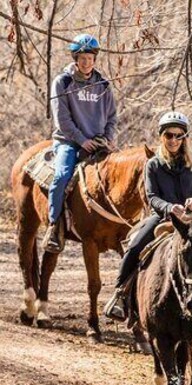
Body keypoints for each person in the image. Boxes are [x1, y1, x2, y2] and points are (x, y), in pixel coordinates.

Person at [103, 111, 192, 321]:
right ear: (162, 137)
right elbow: (152, 196)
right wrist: (169, 208)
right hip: (163, 218)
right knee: (136, 247)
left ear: (185, 138)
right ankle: (120, 294)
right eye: (169, 135)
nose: (173, 140)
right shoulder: (153, 164)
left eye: (178, 135)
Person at [44, 33, 117, 254]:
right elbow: (62, 120)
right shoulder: (63, 82)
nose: (87, 62)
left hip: (98, 141)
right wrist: (81, 140)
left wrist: (108, 137)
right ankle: (54, 226)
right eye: (82, 58)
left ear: (95, 59)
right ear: (76, 59)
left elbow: (112, 116)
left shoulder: (103, 84)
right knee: (61, 176)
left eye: (90, 58)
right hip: (70, 141)